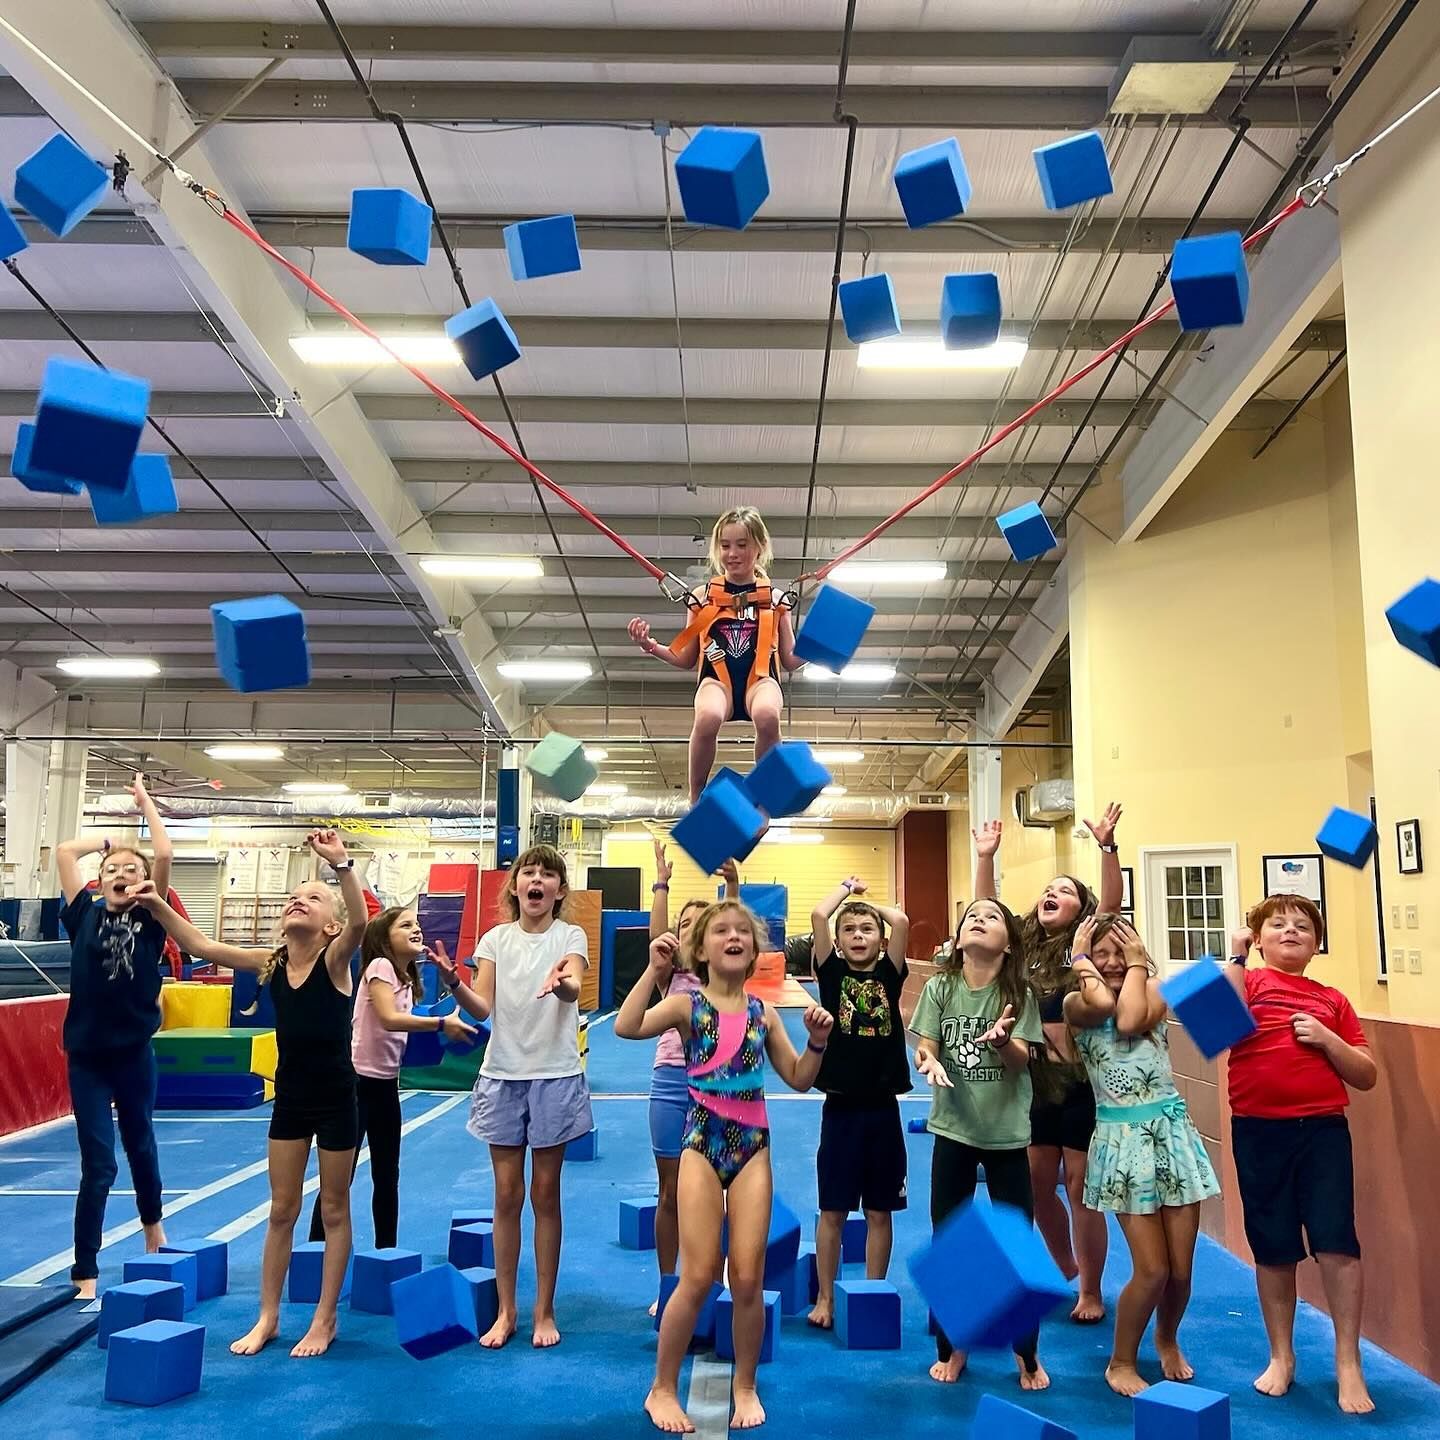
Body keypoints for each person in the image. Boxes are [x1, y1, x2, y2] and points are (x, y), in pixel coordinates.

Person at [132, 830, 367, 1358]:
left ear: (326, 924)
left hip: (336, 1100)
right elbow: (200, 946)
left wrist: (342, 867)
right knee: (281, 1208)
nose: (297, 899)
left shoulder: (335, 961)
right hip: (291, 1100)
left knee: (333, 1209)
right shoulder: (273, 964)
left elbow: (359, 922)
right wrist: (157, 904)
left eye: (312, 897)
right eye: (294, 895)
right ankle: (268, 1315)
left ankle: (325, 1319)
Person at [616, 901, 832, 1433]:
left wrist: (820, 1043)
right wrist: (654, 970)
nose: (733, 937)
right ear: (702, 949)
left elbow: (800, 1078)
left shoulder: (763, 1013)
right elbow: (626, 1026)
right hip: (700, 1146)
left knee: (750, 1276)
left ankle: (746, 1383)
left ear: (755, 950)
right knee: (696, 1276)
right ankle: (661, 1388)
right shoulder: (687, 1006)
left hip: (752, 1148)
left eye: (742, 931)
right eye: (720, 931)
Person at [972, 803, 1123, 1323]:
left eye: (1065, 890)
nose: (1050, 894)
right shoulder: (1023, 948)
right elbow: (985, 909)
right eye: (1047, 889)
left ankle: (1093, 1290)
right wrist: (985, 856)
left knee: (1082, 1189)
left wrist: (1106, 848)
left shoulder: (1085, 944)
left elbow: (1110, 908)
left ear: (1081, 909)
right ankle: (1065, 1265)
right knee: (1036, 1184)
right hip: (1031, 1082)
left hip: (1079, 1083)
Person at [1226, 895, 1377, 1414]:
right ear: (1260, 938)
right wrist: (1236, 957)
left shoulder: (1331, 999)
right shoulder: (1247, 981)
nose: (1291, 931)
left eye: (1303, 927)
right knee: (1273, 1245)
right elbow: (1218, 1026)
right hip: (1258, 1131)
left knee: (1338, 1242)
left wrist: (1328, 1040)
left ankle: (1347, 1362)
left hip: (1323, 1132)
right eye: (1278, 925)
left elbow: (1366, 1074)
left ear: (1316, 943)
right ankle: (1282, 1355)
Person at [1064, 915, 1219, 1395]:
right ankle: (1121, 1361)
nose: (1112, 961)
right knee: (1151, 1270)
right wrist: (1082, 960)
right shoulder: (1076, 1002)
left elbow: (1134, 1013)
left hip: (1172, 1134)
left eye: (1122, 950)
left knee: (1180, 1271)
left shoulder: (1152, 989)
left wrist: (1137, 968)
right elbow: (1115, 1012)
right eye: (1100, 951)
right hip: (1122, 1141)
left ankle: (1167, 1338)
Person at [910, 897, 1048, 1391]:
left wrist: (1000, 1042)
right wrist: (927, 1060)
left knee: (1015, 1243)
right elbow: (924, 1042)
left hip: (1007, 1138)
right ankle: (955, 1344)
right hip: (954, 1132)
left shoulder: (1020, 994)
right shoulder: (941, 987)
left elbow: (1020, 1062)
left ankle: (1026, 1352)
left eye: (991, 916)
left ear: (1008, 943)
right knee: (952, 1241)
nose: (979, 919)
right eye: (971, 914)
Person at [464, 844, 591, 1349]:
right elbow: (480, 1005)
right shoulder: (495, 939)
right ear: (515, 886)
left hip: (554, 1074)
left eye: (548, 875)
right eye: (528, 873)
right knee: (506, 1196)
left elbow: (574, 986)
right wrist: (455, 983)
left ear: (559, 891)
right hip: (502, 1074)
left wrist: (561, 984)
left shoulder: (570, 934)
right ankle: (507, 1310)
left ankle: (544, 1310)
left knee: (545, 1195)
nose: (537, 881)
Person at [55, 773, 173, 1300]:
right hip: (86, 1057)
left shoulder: (152, 921)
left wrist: (146, 805)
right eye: (111, 870)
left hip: (133, 1055)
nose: (121, 874)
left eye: (131, 869)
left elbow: (163, 851)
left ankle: (154, 1226)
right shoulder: (83, 914)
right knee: (98, 1161)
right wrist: (105, 842)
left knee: (140, 1143)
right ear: (98, 881)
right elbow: (62, 850)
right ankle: (85, 1268)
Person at [305, 910, 480, 1248]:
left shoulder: (408, 978)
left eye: (417, 924)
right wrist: (443, 1025)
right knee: (341, 1177)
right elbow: (388, 1019)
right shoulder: (379, 967)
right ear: (385, 940)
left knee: (387, 1176)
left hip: (386, 1086)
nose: (417, 929)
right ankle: (315, 1249)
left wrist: (443, 1025)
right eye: (406, 925)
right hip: (356, 1086)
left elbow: (404, 1028)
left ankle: (387, 1251)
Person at [627, 506, 802, 803]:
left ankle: (764, 795)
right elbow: (685, 657)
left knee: (767, 715)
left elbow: (790, 659)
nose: (732, 553)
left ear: (759, 548)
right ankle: (696, 796)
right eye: (725, 545)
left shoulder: (774, 599)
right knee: (707, 717)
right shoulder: (701, 597)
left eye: (742, 545)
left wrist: (820, 647)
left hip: (759, 680)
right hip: (716, 681)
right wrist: (650, 646)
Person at [805, 876, 911, 1330]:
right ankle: (826, 1297)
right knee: (833, 1208)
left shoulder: (891, 971)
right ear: (838, 943)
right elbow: (817, 916)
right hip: (842, 1106)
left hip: (884, 1108)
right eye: (849, 932)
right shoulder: (831, 972)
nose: (858, 937)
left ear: (881, 940)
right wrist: (846, 891)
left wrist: (872, 906)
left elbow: (901, 920)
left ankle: (871, 1292)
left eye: (867, 930)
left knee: (879, 1209)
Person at [646, 841, 740, 1306]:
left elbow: (735, 927)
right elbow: (658, 933)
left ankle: (714, 1280)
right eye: (684, 925)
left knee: (716, 1191)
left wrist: (731, 885)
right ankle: (669, 1285)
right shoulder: (670, 976)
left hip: (717, 1086)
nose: (689, 932)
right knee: (669, 1192)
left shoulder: (726, 975)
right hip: (670, 1080)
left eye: (699, 925)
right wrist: (661, 882)